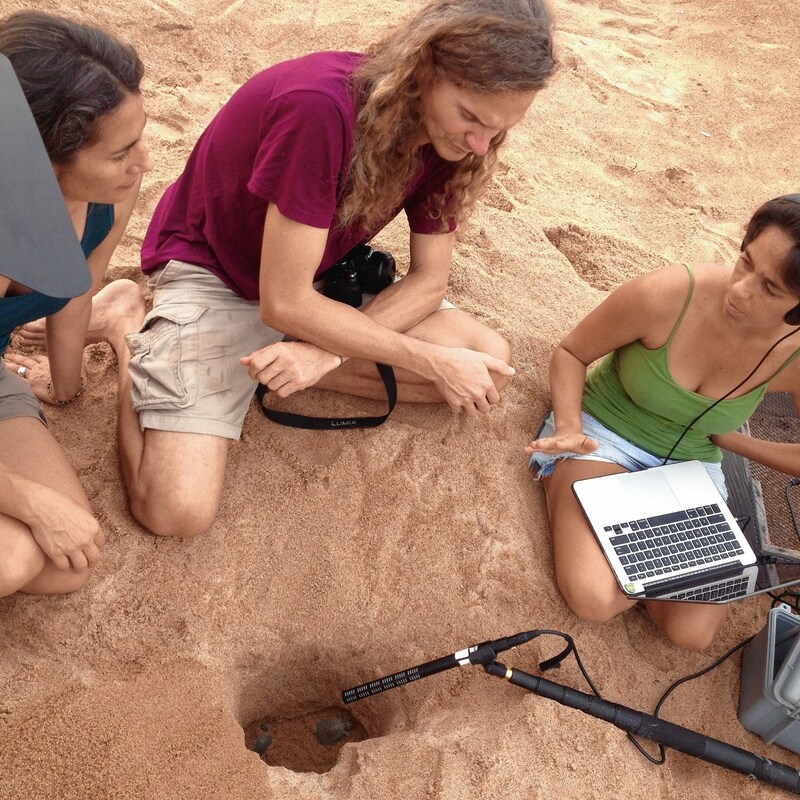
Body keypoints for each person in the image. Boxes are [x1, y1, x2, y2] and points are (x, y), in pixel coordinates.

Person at [120, 0, 556, 537]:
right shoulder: (320, 108)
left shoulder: (458, 140)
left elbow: (429, 280)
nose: (480, 145)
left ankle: (269, 366)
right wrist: (424, 358)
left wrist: (325, 351)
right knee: (175, 512)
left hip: (311, 279)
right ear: (424, 70)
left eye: (500, 128)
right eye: (469, 116)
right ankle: (126, 333)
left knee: (483, 366)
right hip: (220, 274)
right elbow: (284, 302)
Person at [524, 195, 800, 650]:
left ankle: (643, 551)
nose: (740, 289)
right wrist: (568, 425)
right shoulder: (667, 293)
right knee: (596, 599)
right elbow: (571, 352)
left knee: (691, 634)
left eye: (770, 289)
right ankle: (633, 547)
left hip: (693, 464)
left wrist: (736, 444)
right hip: (606, 437)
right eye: (744, 262)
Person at [0, 11, 152, 597]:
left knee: (70, 561)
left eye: (140, 137)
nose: (142, 164)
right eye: (121, 153)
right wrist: (28, 500)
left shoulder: (109, 190)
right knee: (13, 556)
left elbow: (76, 284)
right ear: (39, 163)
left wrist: (67, 384)